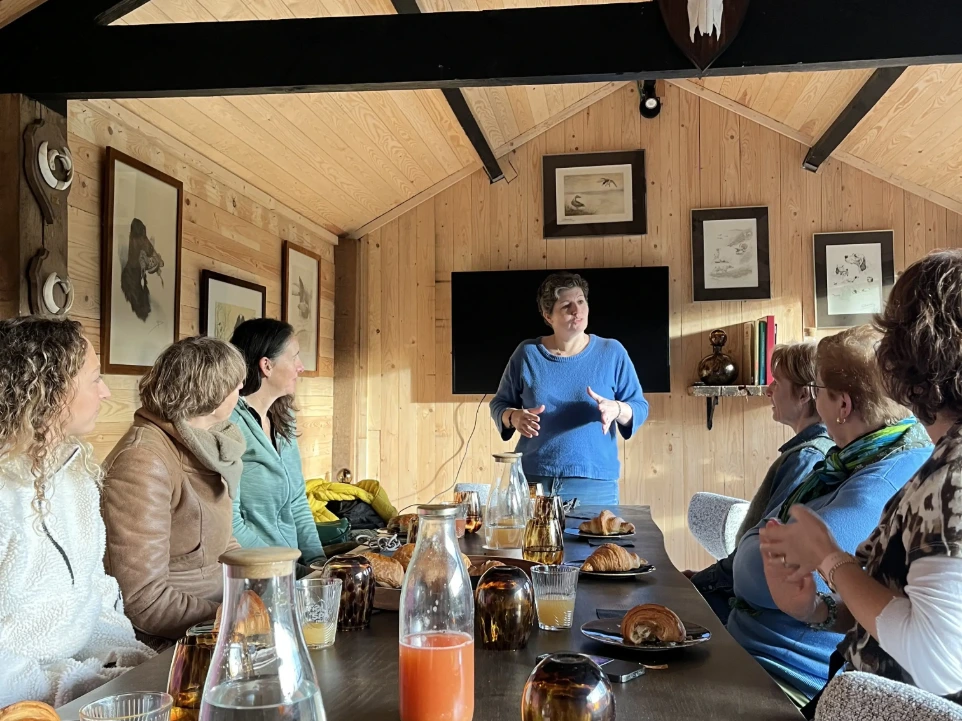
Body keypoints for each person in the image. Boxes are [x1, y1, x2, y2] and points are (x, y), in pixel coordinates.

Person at [760, 250, 962, 712]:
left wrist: (828, 558)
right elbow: (890, 603)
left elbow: (936, 660)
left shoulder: (953, 475)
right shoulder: (939, 458)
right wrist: (814, 609)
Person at [725, 325, 932, 701]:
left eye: (817, 390)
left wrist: (755, 543)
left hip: (782, 672)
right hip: (754, 649)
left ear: (843, 406)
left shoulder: (885, 477)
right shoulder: (853, 459)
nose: (814, 403)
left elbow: (765, 571)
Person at [0, 317, 152, 706]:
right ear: (49, 391)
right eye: (95, 378)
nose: (105, 393)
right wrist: (79, 686)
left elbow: (95, 594)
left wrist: (137, 663)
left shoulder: (76, 475)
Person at [101, 336, 247, 650]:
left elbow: (223, 544)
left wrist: (268, 588)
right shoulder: (143, 461)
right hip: (176, 641)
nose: (240, 392)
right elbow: (143, 600)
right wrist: (237, 619)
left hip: (221, 616)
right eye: (237, 384)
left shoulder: (208, 443)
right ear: (214, 392)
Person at [688, 342, 834, 623]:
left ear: (804, 394)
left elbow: (766, 546)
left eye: (776, 383)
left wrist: (700, 585)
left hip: (748, 608)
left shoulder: (807, 457)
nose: (769, 390)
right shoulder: (807, 451)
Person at [489, 272, 649, 505]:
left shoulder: (612, 352)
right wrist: (513, 417)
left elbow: (639, 406)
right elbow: (499, 404)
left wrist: (616, 409)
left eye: (581, 301)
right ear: (547, 315)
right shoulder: (527, 354)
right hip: (534, 481)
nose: (577, 310)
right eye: (566, 305)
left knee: (597, 544)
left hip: (594, 484)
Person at [229, 319, 325, 569]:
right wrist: (287, 571)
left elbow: (297, 501)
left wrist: (317, 562)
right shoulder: (231, 425)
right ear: (267, 366)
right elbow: (232, 526)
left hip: (291, 569)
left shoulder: (283, 416)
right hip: (256, 573)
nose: (301, 367)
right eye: (294, 358)